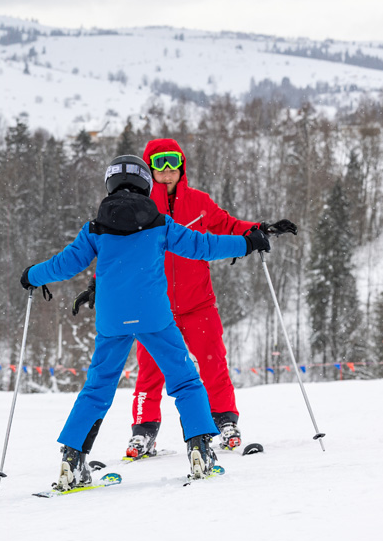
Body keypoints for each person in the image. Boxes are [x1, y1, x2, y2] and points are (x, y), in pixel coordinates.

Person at [22, 154, 270, 489]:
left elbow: (64, 265)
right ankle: (199, 450)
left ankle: (72, 459)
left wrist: (32, 276)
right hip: (154, 314)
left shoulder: (95, 228)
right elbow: (203, 246)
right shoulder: (159, 222)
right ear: (145, 183)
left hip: (111, 319)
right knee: (184, 380)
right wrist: (247, 242)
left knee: (97, 388)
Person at [121, 138, 297, 457]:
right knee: (150, 371)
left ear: (181, 165)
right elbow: (118, 252)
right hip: (154, 308)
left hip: (197, 304)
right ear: (149, 169)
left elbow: (228, 226)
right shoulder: (138, 208)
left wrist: (262, 229)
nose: (166, 171)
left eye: (172, 162)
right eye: (158, 164)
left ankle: (225, 421)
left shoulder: (199, 202)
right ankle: (144, 431)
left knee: (214, 363)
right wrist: (98, 286)